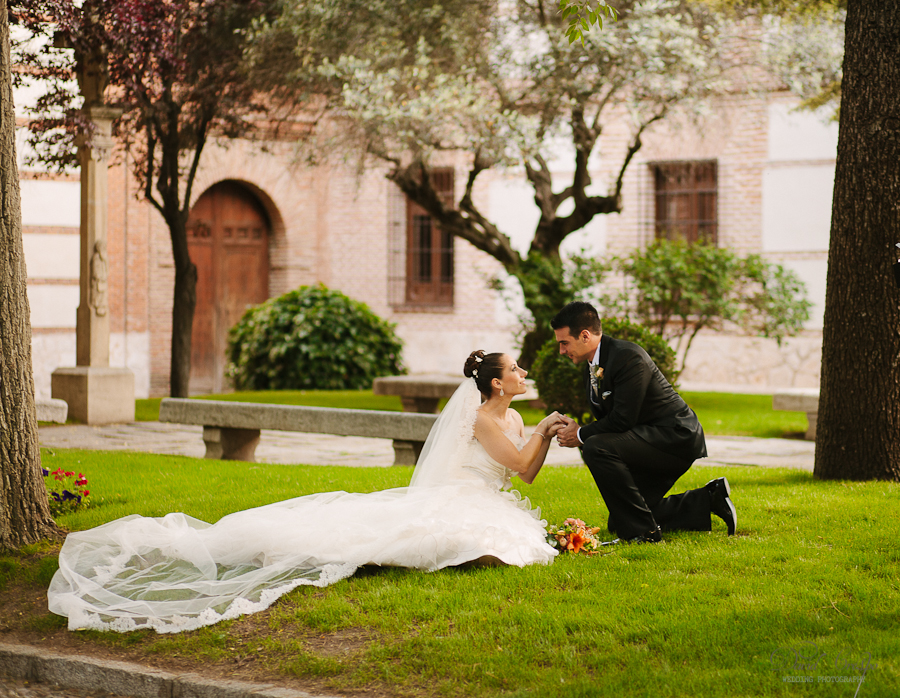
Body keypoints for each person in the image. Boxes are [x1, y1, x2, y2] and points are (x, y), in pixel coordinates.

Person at [48, 351, 565, 634]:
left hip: (488, 494)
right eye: (515, 369)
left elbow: (526, 475)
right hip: (461, 496)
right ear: (496, 384)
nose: (523, 373)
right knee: (413, 538)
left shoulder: (516, 416)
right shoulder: (480, 420)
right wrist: (546, 431)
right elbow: (521, 459)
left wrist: (541, 430)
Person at [550, 301, 736, 544]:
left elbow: (622, 419)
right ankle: (709, 499)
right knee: (620, 520)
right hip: (646, 439)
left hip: (674, 438)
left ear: (585, 336)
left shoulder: (627, 356)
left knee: (596, 446)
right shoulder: (593, 364)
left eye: (564, 343)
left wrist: (581, 434)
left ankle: (644, 535)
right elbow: (611, 419)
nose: (562, 351)